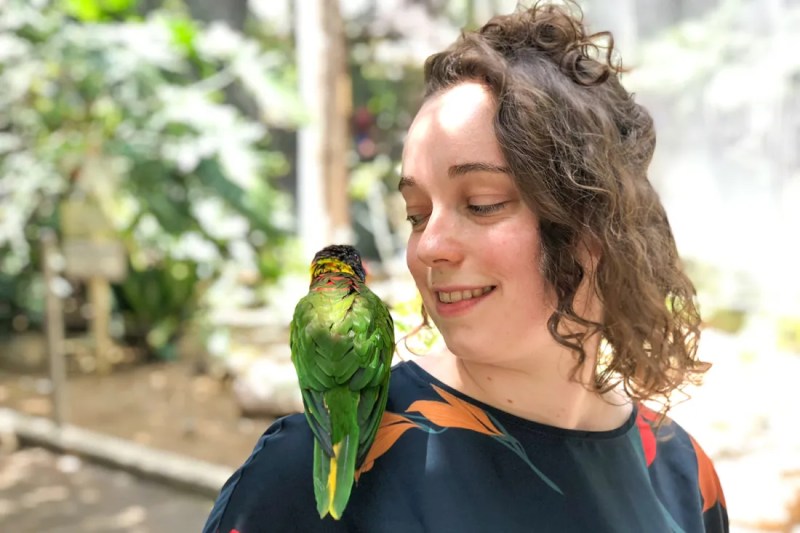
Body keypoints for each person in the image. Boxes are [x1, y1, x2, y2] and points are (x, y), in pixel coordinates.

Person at [203, 2, 728, 532]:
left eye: (481, 203)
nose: (429, 246)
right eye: (416, 214)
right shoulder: (321, 471)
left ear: (597, 221)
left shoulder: (683, 477)